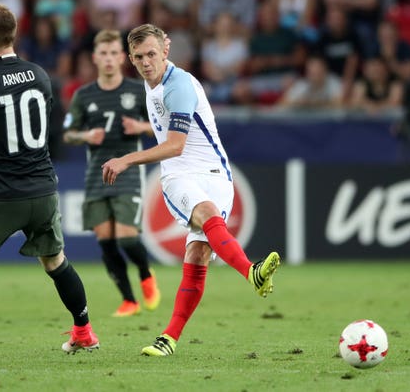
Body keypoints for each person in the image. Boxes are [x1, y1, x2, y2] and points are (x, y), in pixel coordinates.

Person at [102, 23, 281, 356]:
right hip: (179, 177)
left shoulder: (179, 85)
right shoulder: (150, 82)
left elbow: (175, 145)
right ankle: (251, 273)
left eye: (151, 54)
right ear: (131, 57)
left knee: (197, 253)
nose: (145, 62)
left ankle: (169, 338)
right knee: (207, 216)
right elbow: (165, 130)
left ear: (166, 50)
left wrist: (127, 159)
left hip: (214, 174)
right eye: (139, 56)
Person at [0, 3, 99, 365]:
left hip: (0, 192)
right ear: (13, 35)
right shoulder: (41, 76)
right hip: (43, 189)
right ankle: (84, 330)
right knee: (56, 261)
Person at [62, 29, 161, 317]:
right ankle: (129, 300)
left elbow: (162, 127)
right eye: (103, 54)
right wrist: (85, 136)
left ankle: (145, 274)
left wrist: (141, 128)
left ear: (123, 57)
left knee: (127, 238)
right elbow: (67, 135)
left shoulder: (137, 90)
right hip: (97, 174)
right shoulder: (83, 95)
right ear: (95, 58)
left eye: (113, 53)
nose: (108, 59)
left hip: (128, 170)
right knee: (106, 241)